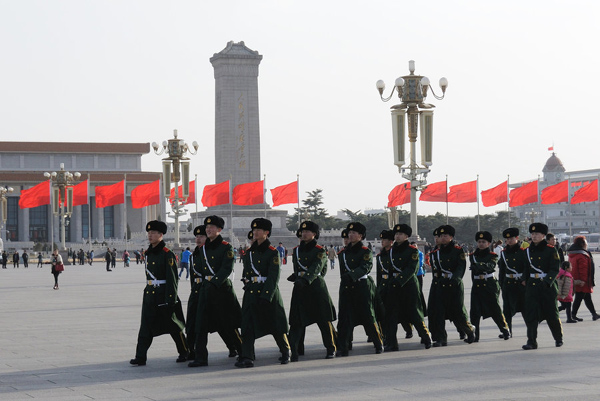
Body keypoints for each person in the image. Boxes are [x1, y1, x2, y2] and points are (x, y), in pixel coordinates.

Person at [130, 220, 188, 366]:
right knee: (145, 326)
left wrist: (171, 298)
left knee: (173, 325)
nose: (150, 235)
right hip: (150, 295)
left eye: (154, 233)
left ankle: (185, 351)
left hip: (163, 294)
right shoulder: (149, 253)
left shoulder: (167, 254)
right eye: (149, 233)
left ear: (161, 235)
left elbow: (172, 278)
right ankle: (140, 356)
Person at [188, 216, 242, 367]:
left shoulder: (226, 247)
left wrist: (214, 282)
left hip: (221, 290)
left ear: (219, 230)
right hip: (205, 290)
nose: (208, 229)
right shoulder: (202, 249)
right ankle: (200, 357)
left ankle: (243, 351)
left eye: (212, 227)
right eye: (207, 227)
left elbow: (226, 268)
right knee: (200, 325)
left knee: (228, 324)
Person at [236, 218, 290, 368]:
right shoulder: (249, 253)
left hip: (268, 293)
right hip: (251, 293)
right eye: (254, 230)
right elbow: (246, 272)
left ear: (266, 233)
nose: (255, 232)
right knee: (247, 325)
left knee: (275, 324)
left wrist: (266, 295)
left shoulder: (272, 252)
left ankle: (286, 351)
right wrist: (246, 282)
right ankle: (247, 356)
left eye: (259, 230)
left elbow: (274, 276)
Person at [288, 221, 337, 362]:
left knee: (323, 319)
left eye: (308, 232)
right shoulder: (296, 250)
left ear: (314, 234)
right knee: (297, 320)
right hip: (300, 288)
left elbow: (318, 268)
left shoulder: (320, 250)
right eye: (303, 232)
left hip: (316, 288)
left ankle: (331, 348)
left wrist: (306, 278)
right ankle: (295, 349)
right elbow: (297, 267)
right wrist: (296, 276)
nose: (304, 234)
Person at [336, 222, 383, 356]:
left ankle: (378, 344)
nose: (350, 235)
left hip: (361, 287)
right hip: (346, 288)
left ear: (361, 236)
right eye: (349, 233)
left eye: (354, 233)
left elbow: (366, 267)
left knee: (368, 316)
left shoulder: (365, 251)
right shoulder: (342, 253)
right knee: (344, 318)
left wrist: (351, 276)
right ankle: (343, 346)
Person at [384, 224, 432, 351]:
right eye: (396, 234)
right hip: (394, 286)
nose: (397, 236)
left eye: (400, 234)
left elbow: (412, 269)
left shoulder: (413, 251)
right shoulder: (391, 251)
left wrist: (399, 280)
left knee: (415, 313)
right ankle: (392, 343)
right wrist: (390, 283)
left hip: (408, 286)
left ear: (406, 236)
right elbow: (390, 269)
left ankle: (426, 337)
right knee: (392, 315)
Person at [428, 225, 475, 347]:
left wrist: (455, 279)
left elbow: (461, 267)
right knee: (438, 312)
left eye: (445, 236)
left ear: (451, 237)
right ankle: (441, 338)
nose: (442, 238)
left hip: (454, 285)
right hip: (440, 285)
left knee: (458, 311)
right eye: (441, 236)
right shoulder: (435, 253)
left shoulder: (458, 250)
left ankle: (469, 330)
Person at [522, 223, 563, 350]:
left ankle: (558, 338)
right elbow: (526, 268)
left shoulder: (551, 250)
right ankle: (531, 341)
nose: (534, 236)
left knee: (552, 314)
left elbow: (555, 268)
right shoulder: (527, 251)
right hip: (532, 287)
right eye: (532, 234)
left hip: (547, 286)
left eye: (537, 234)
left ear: (543, 236)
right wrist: (524, 279)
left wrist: (547, 281)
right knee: (531, 315)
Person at [468, 231, 510, 342]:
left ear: (489, 243)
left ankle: (505, 330)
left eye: (484, 242)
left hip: (490, 284)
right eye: (479, 242)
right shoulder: (472, 256)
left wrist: (478, 266)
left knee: (495, 309)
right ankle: (474, 336)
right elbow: (474, 271)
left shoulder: (493, 255)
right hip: (477, 285)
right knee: (474, 312)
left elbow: (490, 266)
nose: (481, 244)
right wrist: (479, 267)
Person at [497, 227, 527, 337]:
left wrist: (524, 279)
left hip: (520, 284)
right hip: (508, 284)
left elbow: (526, 268)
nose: (509, 240)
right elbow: (502, 270)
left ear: (517, 238)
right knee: (507, 310)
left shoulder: (523, 252)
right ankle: (507, 331)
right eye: (507, 239)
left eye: (511, 238)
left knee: (525, 309)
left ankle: (531, 332)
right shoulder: (504, 253)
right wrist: (501, 284)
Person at [568, 236, 599, 321]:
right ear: (582, 244)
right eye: (585, 243)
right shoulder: (582, 255)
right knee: (579, 298)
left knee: (586, 297)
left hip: (576, 279)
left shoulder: (573, 253)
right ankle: (572, 314)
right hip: (582, 281)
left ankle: (594, 314)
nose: (587, 244)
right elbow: (583, 269)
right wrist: (583, 280)